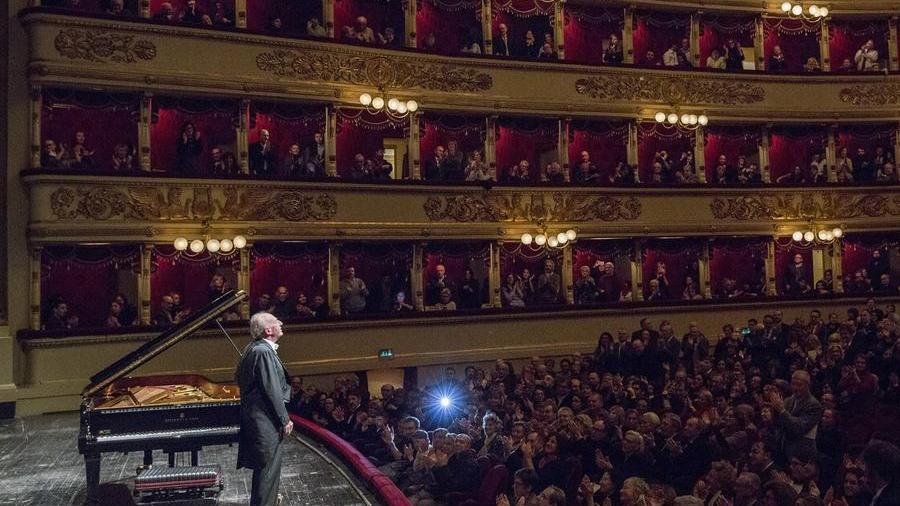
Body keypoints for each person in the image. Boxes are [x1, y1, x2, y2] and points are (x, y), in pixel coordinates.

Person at [236, 312, 292, 506]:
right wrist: (284, 419)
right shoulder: (263, 351)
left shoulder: (253, 348)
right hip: (265, 421)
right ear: (268, 330)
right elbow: (272, 389)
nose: (281, 323)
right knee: (267, 473)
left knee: (265, 472)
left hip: (259, 419)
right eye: (277, 322)